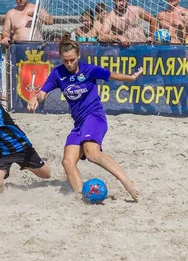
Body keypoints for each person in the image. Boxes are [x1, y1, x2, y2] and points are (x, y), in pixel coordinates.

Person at [28, 34, 142, 201]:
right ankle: (84, 195)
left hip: (94, 116)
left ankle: (127, 182)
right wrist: (33, 97)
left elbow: (111, 75)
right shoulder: (57, 73)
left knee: (92, 154)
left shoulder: (89, 70)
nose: (69, 63)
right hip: (79, 122)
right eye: (65, 60)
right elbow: (42, 94)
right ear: (61, 58)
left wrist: (130, 78)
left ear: (78, 56)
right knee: (67, 162)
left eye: (72, 60)